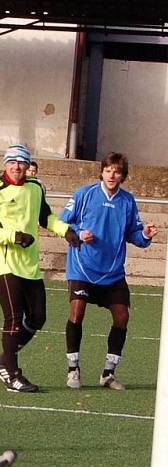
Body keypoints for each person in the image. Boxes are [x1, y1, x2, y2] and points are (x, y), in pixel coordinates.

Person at [0, 144, 80, 392]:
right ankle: (13, 375)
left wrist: (66, 230)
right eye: (12, 162)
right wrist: (13, 236)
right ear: (5, 164)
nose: (17, 166)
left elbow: (46, 217)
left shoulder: (35, 188)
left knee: (38, 317)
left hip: (29, 265)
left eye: (22, 162)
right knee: (13, 318)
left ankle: (2, 361)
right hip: (5, 262)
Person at [60, 152, 158, 390]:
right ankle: (73, 369)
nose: (112, 175)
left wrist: (144, 235)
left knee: (122, 316)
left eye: (117, 171)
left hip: (112, 272)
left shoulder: (127, 201)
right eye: (108, 170)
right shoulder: (84, 194)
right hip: (82, 268)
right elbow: (63, 222)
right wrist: (80, 233)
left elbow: (133, 233)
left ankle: (108, 373)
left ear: (123, 176)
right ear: (102, 172)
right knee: (77, 312)